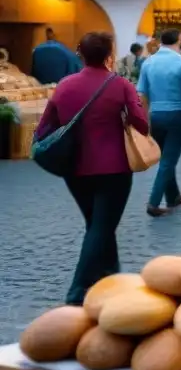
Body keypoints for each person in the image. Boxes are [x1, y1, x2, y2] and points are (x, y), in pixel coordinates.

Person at [37, 32, 149, 304]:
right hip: (114, 167)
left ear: (81, 54)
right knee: (101, 226)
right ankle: (78, 288)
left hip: (74, 168)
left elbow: (44, 128)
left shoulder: (64, 85)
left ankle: (111, 274)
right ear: (109, 55)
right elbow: (141, 124)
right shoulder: (120, 84)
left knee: (97, 224)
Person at [137, 29, 181, 217]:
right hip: (177, 114)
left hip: (156, 114)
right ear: (179, 40)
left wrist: (144, 118)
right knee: (168, 160)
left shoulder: (148, 62)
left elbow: (141, 94)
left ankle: (173, 196)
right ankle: (154, 202)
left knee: (166, 156)